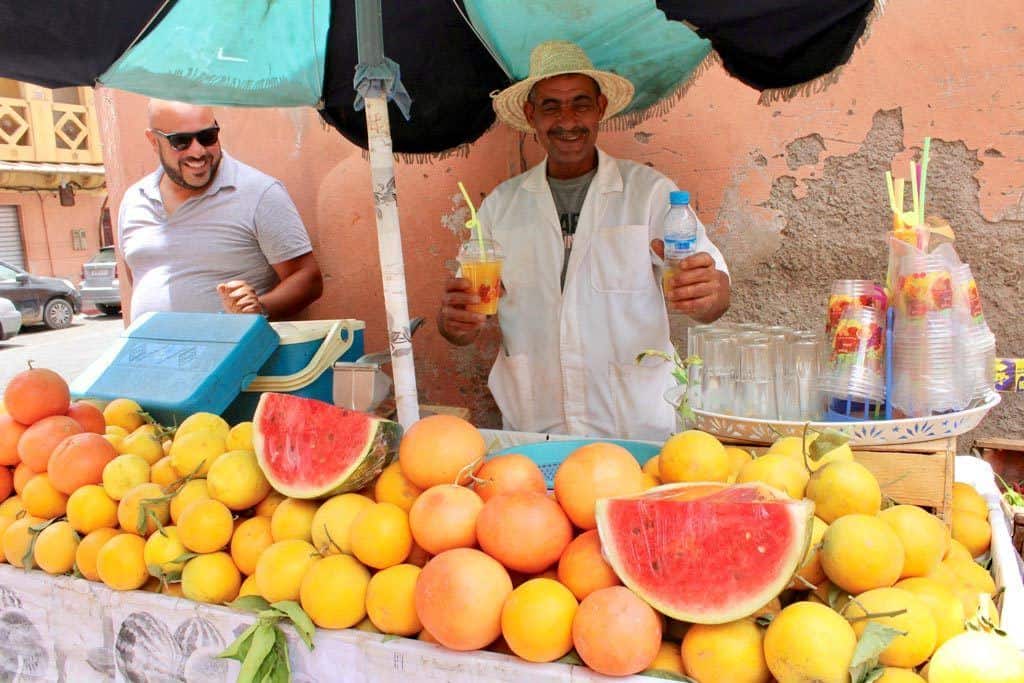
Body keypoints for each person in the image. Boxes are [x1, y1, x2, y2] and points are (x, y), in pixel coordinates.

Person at [437, 41, 730, 441]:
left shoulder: (650, 193)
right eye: (551, 107)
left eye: (581, 104)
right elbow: (464, 320)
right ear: (531, 115)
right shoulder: (500, 208)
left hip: (637, 426)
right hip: (535, 427)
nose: (568, 120)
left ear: (600, 108)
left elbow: (715, 294)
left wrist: (706, 293)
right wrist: (455, 322)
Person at [117, 99, 323, 321]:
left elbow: (307, 279)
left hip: (234, 344)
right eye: (180, 141)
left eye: (207, 136)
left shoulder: (258, 192)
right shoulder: (134, 199)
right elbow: (138, 278)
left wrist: (259, 309)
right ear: (153, 141)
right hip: (148, 344)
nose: (198, 151)